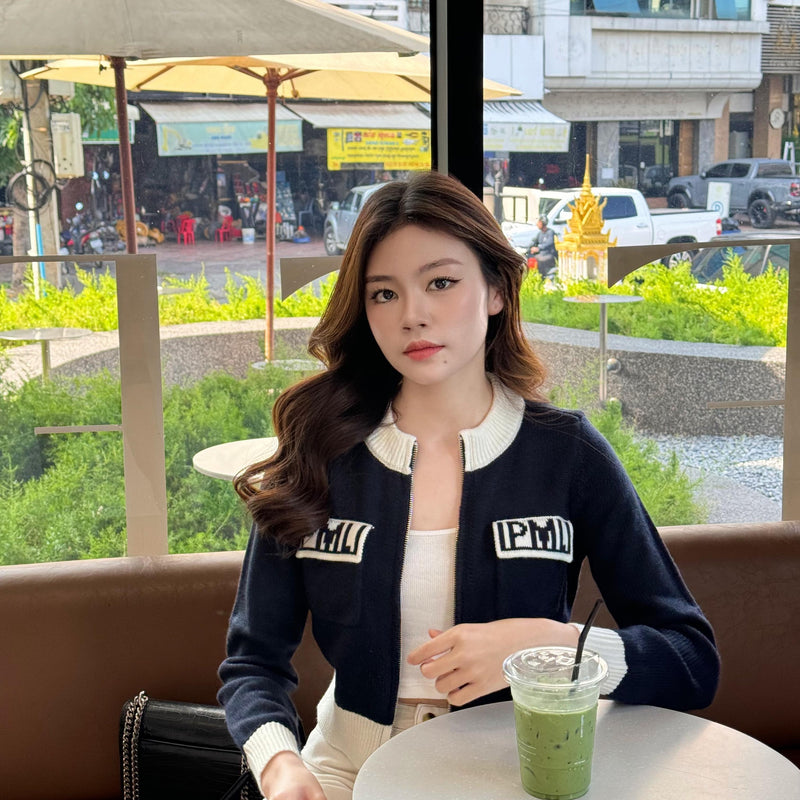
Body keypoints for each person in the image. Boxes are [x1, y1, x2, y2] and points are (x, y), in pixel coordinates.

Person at [218, 172, 719, 800]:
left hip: (513, 774)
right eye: (383, 294)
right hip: (344, 771)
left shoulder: (567, 455)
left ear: (496, 292)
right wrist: (280, 766)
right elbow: (251, 664)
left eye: (441, 282)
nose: (413, 315)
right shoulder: (320, 452)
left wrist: (552, 646)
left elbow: (691, 660)